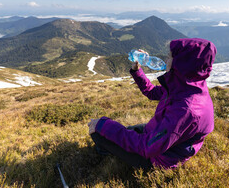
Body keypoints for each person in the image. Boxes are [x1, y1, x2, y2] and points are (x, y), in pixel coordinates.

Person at [88, 38, 217, 169]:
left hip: (158, 159)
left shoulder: (186, 110)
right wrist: (137, 71)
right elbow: (152, 92)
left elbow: (147, 147)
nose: (165, 60)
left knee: (98, 133)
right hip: (162, 138)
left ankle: (109, 153)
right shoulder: (188, 86)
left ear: (181, 63)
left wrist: (102, 125)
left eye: (169, 57)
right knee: (122, 131)